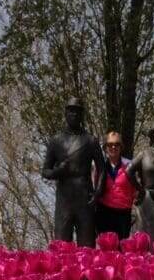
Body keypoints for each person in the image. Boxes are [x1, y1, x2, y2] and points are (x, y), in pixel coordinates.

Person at [41, 98, 106, 246]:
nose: (74, 114)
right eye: (71, 111)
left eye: (77, 111)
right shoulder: (56, 141)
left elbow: (102, 168)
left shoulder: (91, 141)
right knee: (62, 245)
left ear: (82, 115)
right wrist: (58, 171)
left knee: (87, 245)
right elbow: (45, 171)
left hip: (85, 197)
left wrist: (98, 193)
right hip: (64, 198)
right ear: (65, 113)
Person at [95, 132, 136, 240]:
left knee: (121, 247)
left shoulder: (130, 165)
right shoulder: (99, 167)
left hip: (123, 215)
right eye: (110, 144)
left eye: (117, 144)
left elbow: (136, 190)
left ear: (121, 147)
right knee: (105, 247)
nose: (113, 147)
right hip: (104, 213)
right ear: (105, 148)